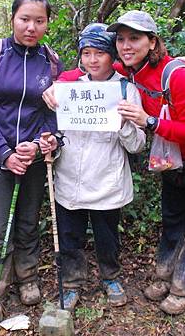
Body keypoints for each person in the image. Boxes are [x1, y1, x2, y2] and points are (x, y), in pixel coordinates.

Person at [44, 10, 185, 315]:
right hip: (174, 155)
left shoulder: (177, 74)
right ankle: (164, 275)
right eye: (121, 39)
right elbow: (85, 72)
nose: (126, 45)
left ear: (152, 41)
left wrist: (148, 121)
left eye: (135, 38)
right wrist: (55, 85)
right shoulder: (129, 70)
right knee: (172, 220)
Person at [0, 0, 63, 323]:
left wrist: (40, 144)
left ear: (47, 23)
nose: (31, 27)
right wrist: (5, 153)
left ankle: (28, 278)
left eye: (39, 20)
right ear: (12, 18)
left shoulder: (51, 62)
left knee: (27, 221)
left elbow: (53, 113)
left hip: (33, 157)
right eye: (25, 19)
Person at [40, 23, 145, 312]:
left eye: (100, 53)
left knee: (107, 235)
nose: (93, 60)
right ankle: (72, 283)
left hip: (108, 180)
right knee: (70, 234)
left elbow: (138, 145)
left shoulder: (126, 90)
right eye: (87, 53)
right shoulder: (69, 89)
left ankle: (110, 277)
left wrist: (124, 124)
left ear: (113, 56)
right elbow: (60, 132)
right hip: (70, 177)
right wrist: (53, 143)